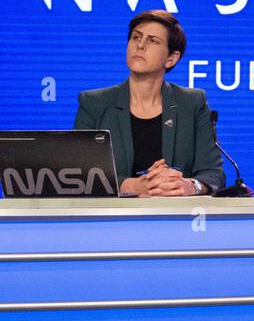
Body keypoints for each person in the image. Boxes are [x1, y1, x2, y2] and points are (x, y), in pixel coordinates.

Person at [74, 10, 224, 196]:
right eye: (136, 37)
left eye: (153, 40)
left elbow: (213, 174)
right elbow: (80, 174)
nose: (140, 45)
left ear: (171, 58)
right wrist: (132, 186)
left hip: (178, 218)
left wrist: (190, 185)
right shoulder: (94, 103)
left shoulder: (192, 103)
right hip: (113, 220)